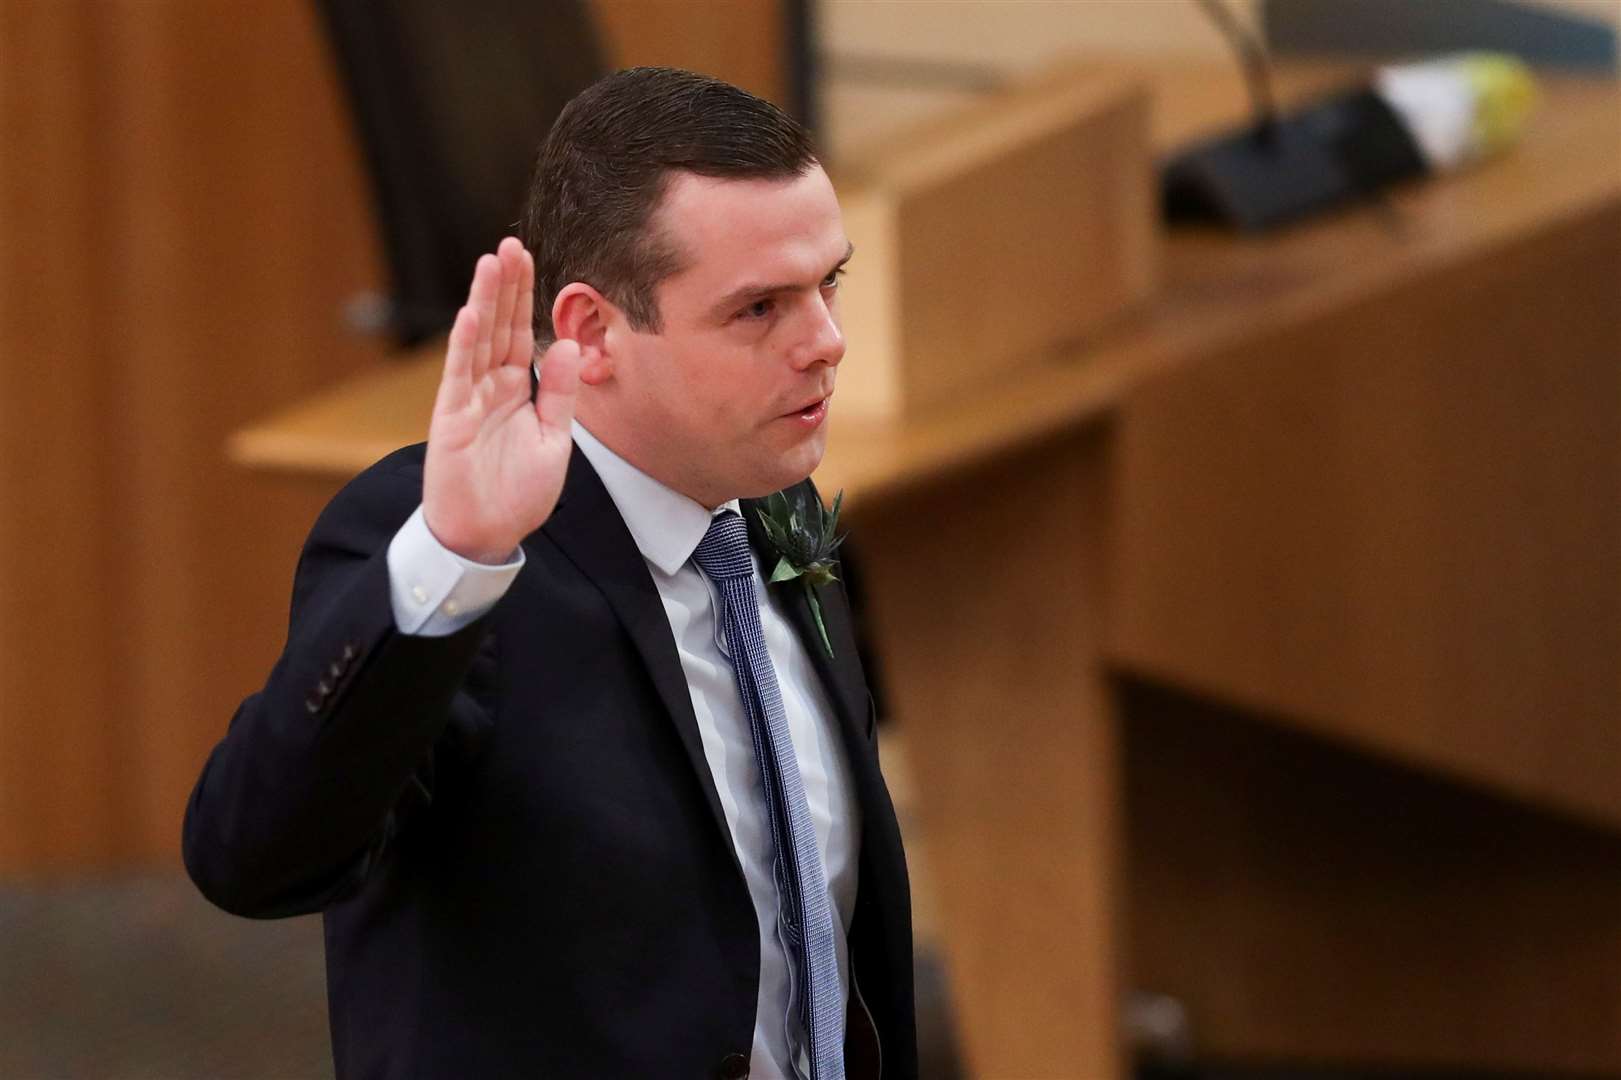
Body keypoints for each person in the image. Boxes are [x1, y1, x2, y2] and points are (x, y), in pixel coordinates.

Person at [182, 67, 916, 1079]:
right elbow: (250, 859)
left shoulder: (767, 494)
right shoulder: (449, 549)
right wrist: (454, 559)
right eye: (758, 309)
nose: (826, 344)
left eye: (826, 283)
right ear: (591, 333)